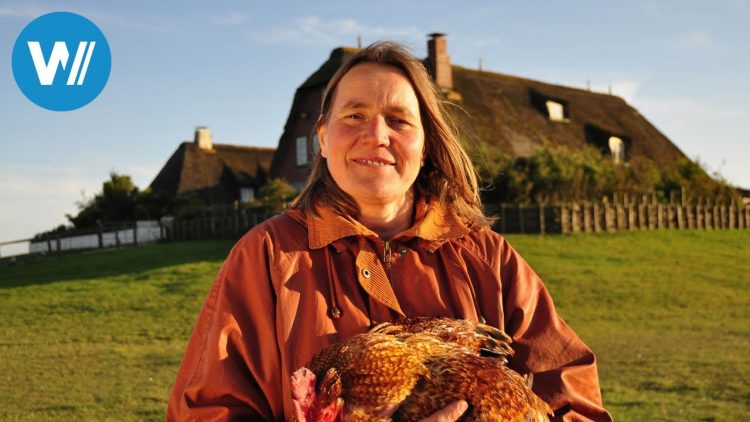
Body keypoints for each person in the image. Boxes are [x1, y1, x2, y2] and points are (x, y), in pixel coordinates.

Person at [168, 41, 611, 421]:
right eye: (354, 116)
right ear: (323, 139)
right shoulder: (266, 257)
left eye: (399, 120)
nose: (376, 135)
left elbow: (573, 393)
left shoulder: (486, 257)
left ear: (426, 145)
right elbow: (206, 410)